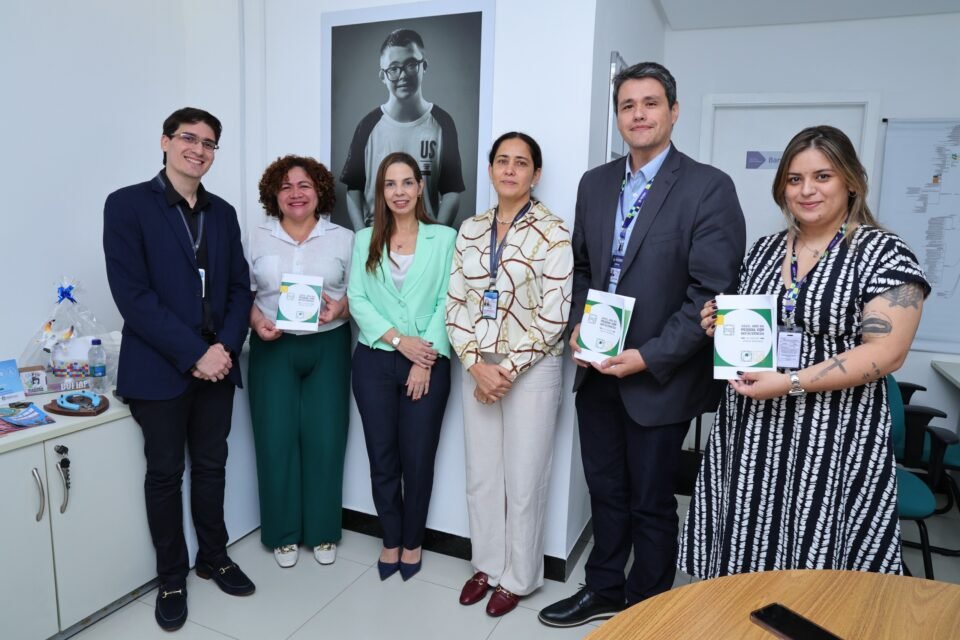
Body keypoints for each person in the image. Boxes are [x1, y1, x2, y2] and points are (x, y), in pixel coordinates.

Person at [538, 62, 746, 628]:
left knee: (651, 501)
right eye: (627, 105)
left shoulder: (708, 187)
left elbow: (711, 293)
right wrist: (579, 321)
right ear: (618, 116)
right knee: (604, 490)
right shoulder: (595, 183)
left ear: (673, 111)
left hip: (659, 376)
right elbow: (584, 266)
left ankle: (647, 607)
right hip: (597, 368)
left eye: (650, 103)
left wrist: (649, 356)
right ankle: (604, 588)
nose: (638, 114)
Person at [679, 125, 930, 578]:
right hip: (753, 430)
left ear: (851, 181)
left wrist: (790, 383)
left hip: (833, 435)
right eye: (794, 179)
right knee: (745, 547)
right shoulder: (764, 251)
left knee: (820, 560)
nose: (806, 190)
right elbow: (757, 329)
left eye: (822, 176)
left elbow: (887, 353)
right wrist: (720, 324)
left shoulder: (882, 253)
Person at [103, 107, 255, 632]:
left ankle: (214, 555)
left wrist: (225, 349)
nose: (199, 149)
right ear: (165, 141)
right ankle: (172, 578)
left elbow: (239, 288)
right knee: (165, 475)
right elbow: (133, 296)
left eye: (209, 143)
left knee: (212, 466)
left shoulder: (223, 213)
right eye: (189, 138)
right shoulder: (127, 205)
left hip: (219, 366)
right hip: (160, 370)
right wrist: (195, 354)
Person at [447, 132, 573, 617]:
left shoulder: (553, 231)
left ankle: (518, 576)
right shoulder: (471, 229)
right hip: (477, 364)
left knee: (524, 479)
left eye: (521, 163)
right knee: (481, 475)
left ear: (535, 174)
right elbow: (454, 303)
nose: (510, 169)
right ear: (490, 169)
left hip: (532, 369)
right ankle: (486, 565)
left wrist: (506, 369)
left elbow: (555, 314)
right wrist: (475, 364)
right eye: (502, 160)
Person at [347, 152, 456, 581]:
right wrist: (397, 340)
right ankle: (390, 538)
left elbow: (448, 300)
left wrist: (423, 357)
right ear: (381, 191)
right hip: (373, 361)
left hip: (427, 362)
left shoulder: (443, 238)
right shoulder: (364, 239)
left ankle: (413, 542)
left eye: (407, 182)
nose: (399, 192)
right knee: (382, 457)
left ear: (420, 186)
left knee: (418, 458)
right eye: (390, 184)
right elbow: (357, 299)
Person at [247, 155, 354, 569]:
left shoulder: (344, 238)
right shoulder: (256, 237)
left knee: (326, 438)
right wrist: (256, 321)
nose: (296, 193)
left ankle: (323, 531)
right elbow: (240, 293)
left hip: (327, 346)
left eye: (304, 185)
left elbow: (359, 295)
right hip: (272, 346)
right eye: (286, 186)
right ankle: (282, 533)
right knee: (275, 439)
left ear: (319, 192)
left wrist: (340, 309)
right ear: (273, 194)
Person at [340, 28, 465, 229]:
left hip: (424, 235)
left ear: (424, 66)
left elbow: (452, 191)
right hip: (377, 236)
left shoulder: (443, 123)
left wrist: (436, 237)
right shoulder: (367, 126)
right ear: (383, 76)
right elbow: (354, 189)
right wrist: (362, 235)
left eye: (411, 65)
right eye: (394, 68)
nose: (403, 75)